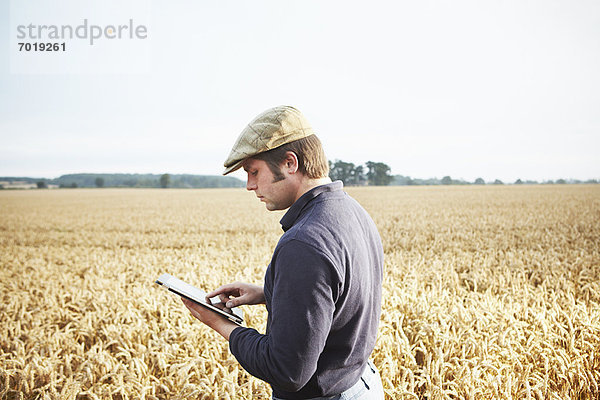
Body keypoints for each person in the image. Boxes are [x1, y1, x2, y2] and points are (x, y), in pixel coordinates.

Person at [181, 105, 385, 399]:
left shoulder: (303, 243)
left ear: (290, 163)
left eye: (254, 172)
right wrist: (271, 291)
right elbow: (343, 291)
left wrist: (220, 323)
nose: (249, 186)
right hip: (360, 384)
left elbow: (288, 371)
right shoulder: (352, 211)